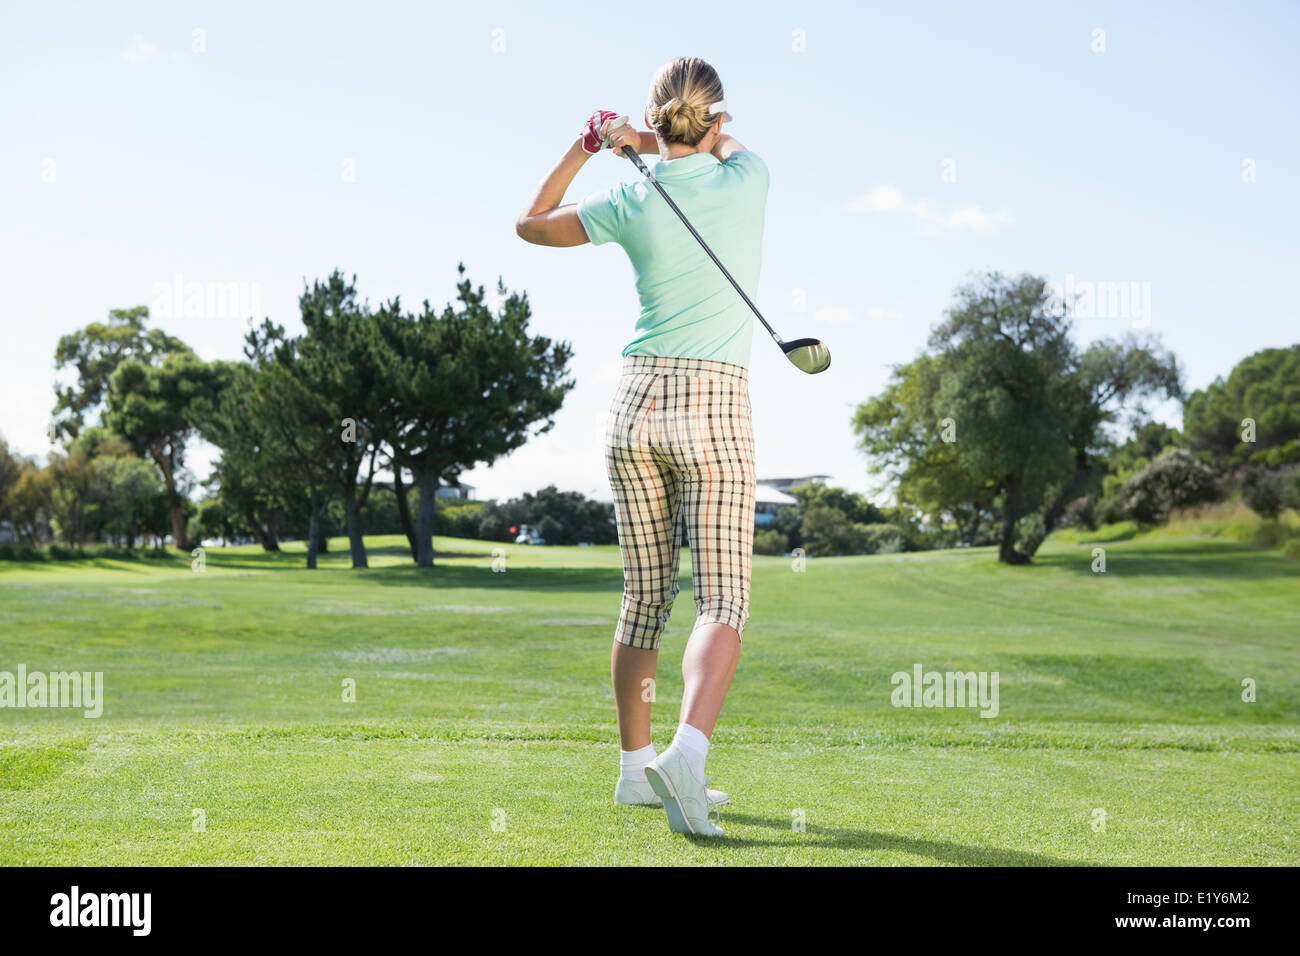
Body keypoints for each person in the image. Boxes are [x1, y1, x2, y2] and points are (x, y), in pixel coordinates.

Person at [516, 56, 769, 837]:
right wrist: (658, 137)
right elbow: (722, 146)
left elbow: (531, 224)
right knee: (721, 598)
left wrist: (589, 146)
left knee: (644, 598)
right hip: (712, 404)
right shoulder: (747, 176)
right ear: (717, 119)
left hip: (632, 403)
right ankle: (685, 759)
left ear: (655, 119)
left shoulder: (628, 196)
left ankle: (635, 770)